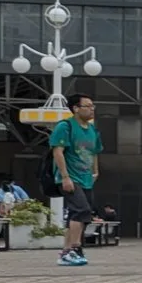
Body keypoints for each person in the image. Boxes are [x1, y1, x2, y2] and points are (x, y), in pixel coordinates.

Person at [48, 93, 102, 268]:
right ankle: (75, 248)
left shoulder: (92, 129)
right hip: (70, 177)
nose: (92, 109)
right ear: (76, 109)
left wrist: (95, 171)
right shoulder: (65, 126)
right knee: (81, 210)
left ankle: (66, 251)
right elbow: (57, 152)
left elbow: (95, 152)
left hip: (86, 178)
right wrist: (65, 177)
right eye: (88, 106)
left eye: (93, 106)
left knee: (80, 215)